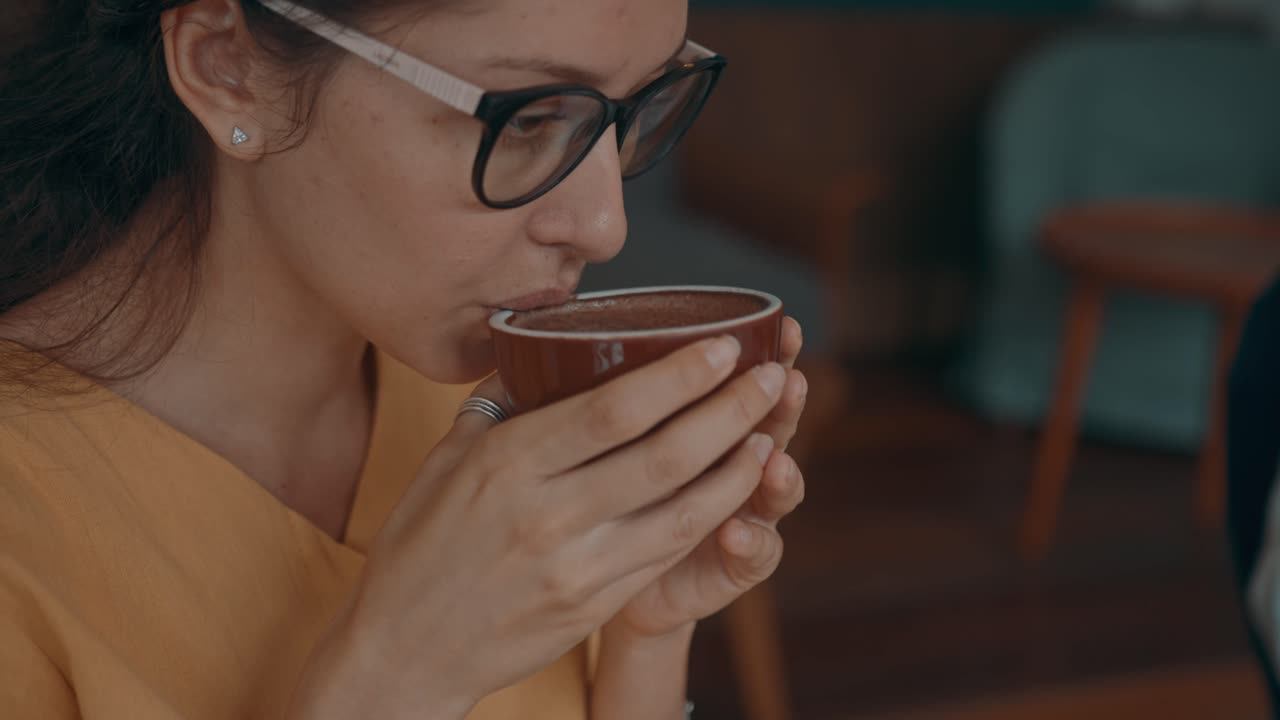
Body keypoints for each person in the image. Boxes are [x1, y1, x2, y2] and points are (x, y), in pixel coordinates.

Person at [0, 0, 810, 718]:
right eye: (529, 119)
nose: (605, 226)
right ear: (228, 69)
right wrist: (392, 679)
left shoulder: (497, 413)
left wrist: (645, 631)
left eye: (640, 107)